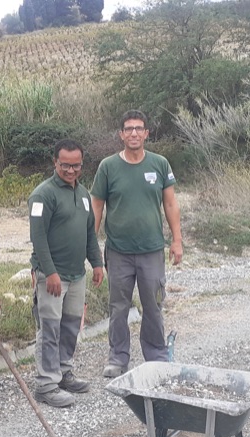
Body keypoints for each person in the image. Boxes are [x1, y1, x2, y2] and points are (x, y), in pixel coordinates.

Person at [92, 110, 183, 378]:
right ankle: (118, 358)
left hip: (151, 250)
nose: (134, 133)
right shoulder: (108, 167)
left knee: (153, 305)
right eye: (129, 129)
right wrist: (91, 245)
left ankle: (156, 356)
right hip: (118, 251)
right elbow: (97, 206)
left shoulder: (160, 164)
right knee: (118, 307)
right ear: (121, 134)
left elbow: (170, 204)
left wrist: (177, 240)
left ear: (146, 134)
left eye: (138, 128)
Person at [29, 139, 105, 407]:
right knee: (49, 328)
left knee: (71, 325)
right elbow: (38, 237)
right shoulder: (43, 195)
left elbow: (89, 232)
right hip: (52, 276)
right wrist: (49, 272)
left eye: (76, 166)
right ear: (55, 162)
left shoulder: (83, 194)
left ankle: (63, 372)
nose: (71, 171)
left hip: (77, 275)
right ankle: (46, 385)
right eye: (65, 166)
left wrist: (97, 263)